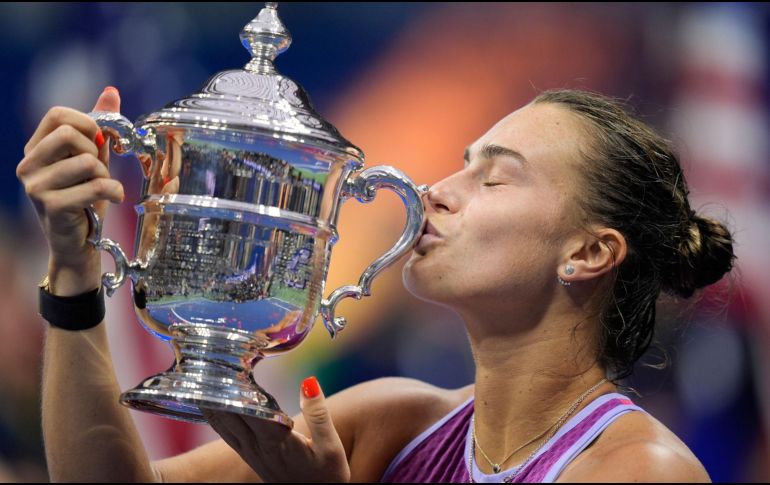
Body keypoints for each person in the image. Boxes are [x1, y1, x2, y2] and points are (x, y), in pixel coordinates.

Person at [17, 86, 734, 483]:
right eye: (460, 165)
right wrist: (74, 271)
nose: (435, 191)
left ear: (588, 252)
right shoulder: (393, 423)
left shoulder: (642, 471)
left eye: (493, 178)